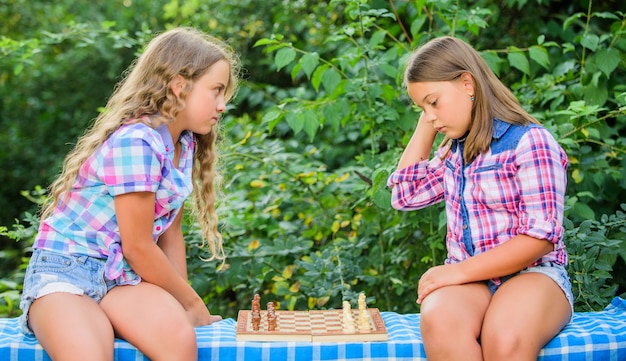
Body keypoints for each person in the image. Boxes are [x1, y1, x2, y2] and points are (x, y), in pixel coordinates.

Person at [18, 27, 240, 361]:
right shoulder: (137, 141)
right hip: (66, 271)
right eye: (217, 91)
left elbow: (170, 234)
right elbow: (137, 246)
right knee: (89, 354)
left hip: (121, 279)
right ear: (180, 85)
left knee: (179, 341)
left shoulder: (183, 144)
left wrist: (185, 307)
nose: (223, 106)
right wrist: (193, 303)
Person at [387, 36, 573, 361]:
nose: (430, 116)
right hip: (473, 281)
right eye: (421, 108)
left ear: (467, 84)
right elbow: (406, 193)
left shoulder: (531, 142)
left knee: (504, 338)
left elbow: (540, 239)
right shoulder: (454, 153)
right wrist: (429, 119)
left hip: (533, 275)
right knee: (439, 320)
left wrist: (455, 273)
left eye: (434, 101)